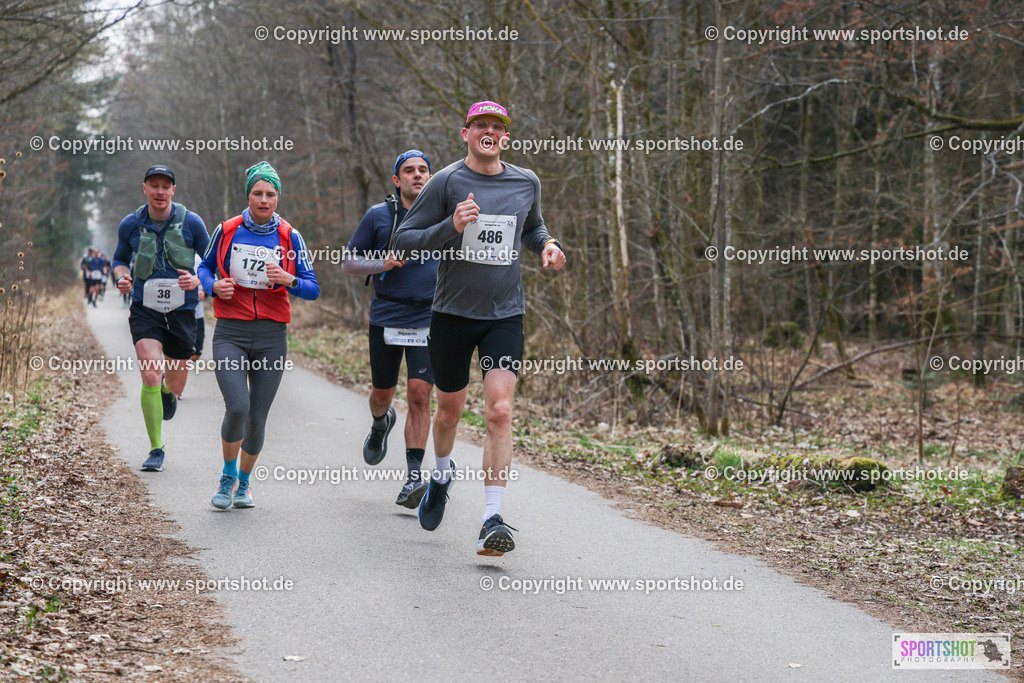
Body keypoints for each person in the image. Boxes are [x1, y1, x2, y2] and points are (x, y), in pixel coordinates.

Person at [392, 101, 566, 555]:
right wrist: (450, 225)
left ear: (506, 137)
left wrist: (546, 244)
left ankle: (492, 518)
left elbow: (531, 227)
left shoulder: (526, 181)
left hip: (504, 313)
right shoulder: (447, 181)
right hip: (450, 315)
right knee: (448, 412)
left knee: (500, 411)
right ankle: (442, 475)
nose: (489, 132)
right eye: (481, 126)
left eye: (498, 127)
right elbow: (404, 240)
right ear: (465, 133)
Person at [198, 161, 319, 510]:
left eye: (270, 194)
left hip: (271, 336)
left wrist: (288, 279)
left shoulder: (291, 236)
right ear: (248, 195)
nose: (263, 200)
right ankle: (227, 474)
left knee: (258, 417)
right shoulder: (226, 230)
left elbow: (312, 288)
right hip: (230, 332)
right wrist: (212, 286)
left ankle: (245, 484)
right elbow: (204, 268)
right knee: (237, 407)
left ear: (278, 197)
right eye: (257, 193)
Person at [343, 150, 437, 508]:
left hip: (428, 318)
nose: (417, 175)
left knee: (419, 393)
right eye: (409, 171)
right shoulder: (378, 216)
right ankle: (381, 423)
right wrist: (379, 261)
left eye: (423, 170)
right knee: (383, 393)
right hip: (386, 316)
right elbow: (348, 261)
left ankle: (413, 477)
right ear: (397, 180)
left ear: (431, 177)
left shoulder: (443, 217)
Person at [112, 165, 210, 472]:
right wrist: (122, 275)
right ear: (145, 189)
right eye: (153, 185)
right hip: (145, 308)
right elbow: (117, 259)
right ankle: (156, 448)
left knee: (175, 381)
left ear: (173, 191)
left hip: (183, 312)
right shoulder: (131, 223)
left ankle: (169, 391)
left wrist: (197, 280)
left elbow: (211, 262)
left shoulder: (191, 222)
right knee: (151, 374)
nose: (159, 191)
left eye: (165, 186)